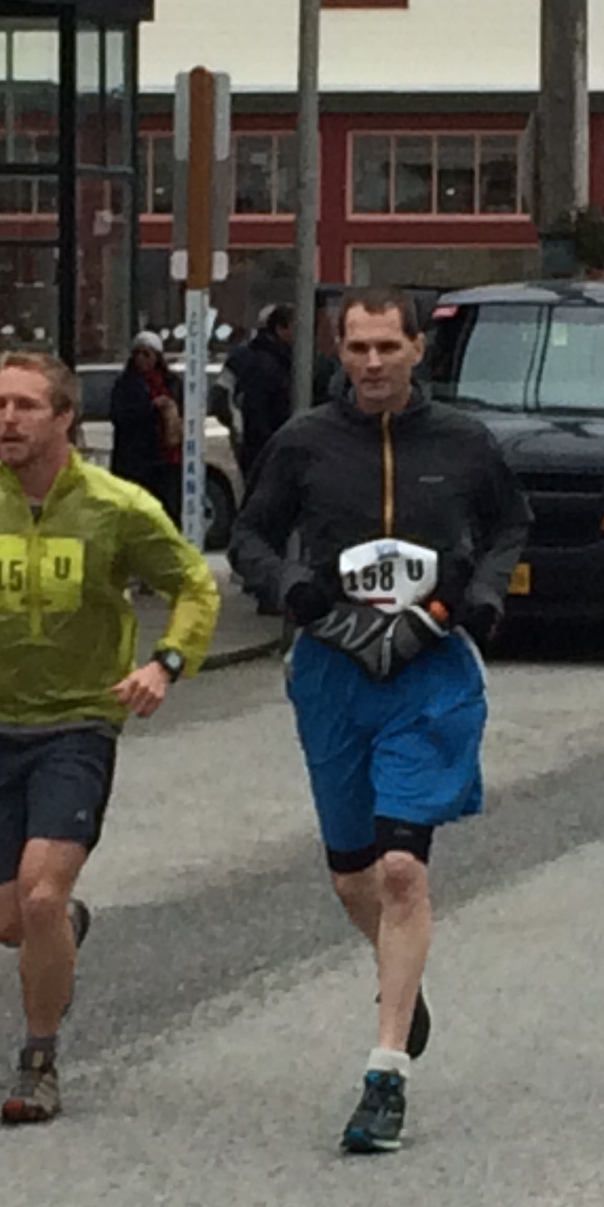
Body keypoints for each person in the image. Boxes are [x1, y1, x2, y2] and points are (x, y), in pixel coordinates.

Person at [230, 289, 530, 1154]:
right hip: (332, 669)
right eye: (357, 348)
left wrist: (478, 598)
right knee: (353, 874)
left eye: (386, 347)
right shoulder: (305, 442)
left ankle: (384, 1074)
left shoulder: (464, 444)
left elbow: (510, 525)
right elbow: (250, 536)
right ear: (339, 350)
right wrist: (289, 590)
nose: (371, 364)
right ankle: (404, 974)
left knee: (404, 870)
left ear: (415, 352)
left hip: (430, 670)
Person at [0, 350, 220, 1123]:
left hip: (78, 721)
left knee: (41, 893)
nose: (7, 419)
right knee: (11, 921)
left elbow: (194, 585)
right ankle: (59, 932)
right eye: (0, 404)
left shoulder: (117, 507)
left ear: (66, 418)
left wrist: (165, 666)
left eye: (26, 406)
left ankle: (38, 1061)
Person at [105, 328, 181, 503]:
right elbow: (119, 415)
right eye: (137, 354)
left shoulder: (172, 382)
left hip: (167, 457)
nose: (141, 359)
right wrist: (150, 407)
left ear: (157, 357)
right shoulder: (125, 384)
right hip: (135, 459)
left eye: (146, 354)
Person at [228, 302, 297, 483]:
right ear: (280, 328)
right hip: (264, 448)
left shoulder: (270, 358)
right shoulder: (267, 364)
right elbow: (258, 411)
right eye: (295, 326)